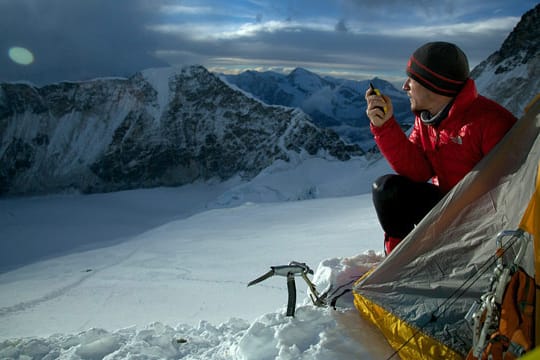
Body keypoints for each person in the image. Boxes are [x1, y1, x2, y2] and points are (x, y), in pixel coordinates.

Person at [365, 41, 517, 255]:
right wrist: (385, 126)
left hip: (484, 223)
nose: (405, 86)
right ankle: (399, 263)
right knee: (386, 190)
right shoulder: (427, 119)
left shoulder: (491, 122)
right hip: (448, 208)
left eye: (412, 79)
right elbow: (417, 172)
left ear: (433, 85)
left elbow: (512, 192)